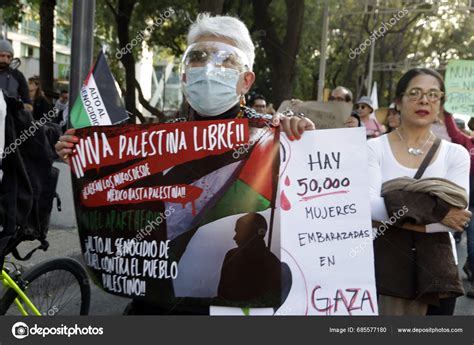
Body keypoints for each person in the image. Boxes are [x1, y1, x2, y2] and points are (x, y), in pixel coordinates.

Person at [55, 14, 315, 314]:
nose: (209, 68)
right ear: (184, 76)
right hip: (155, 304)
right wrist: (87, 158)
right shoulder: (153, 140)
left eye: (226, 60)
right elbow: (121, 197)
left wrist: (302, 140)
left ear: (246, 79)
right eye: (199, 57)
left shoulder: (274, 137)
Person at [368, 68, 471, 315]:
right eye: (415, 92)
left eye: (433, 94)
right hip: (383, 270)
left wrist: (392, 203)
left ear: (440, 105)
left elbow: (457, 217)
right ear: (397, 102)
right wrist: (437, 210)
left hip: (437, 276)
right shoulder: (373, 149)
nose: (424, 100)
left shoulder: (455, 153)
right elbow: (368, 207)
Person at [443, 111, 474, 298]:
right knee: (471, 238)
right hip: (468, 198)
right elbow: (454, 134)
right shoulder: (466, 143)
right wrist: (446, 111)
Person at [218, 213, 281, 303]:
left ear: (252, 233)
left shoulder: (271, 263)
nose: (234, 237)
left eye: (238, 231)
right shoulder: (231, 256)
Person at [0, 40, 32, 111]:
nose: (5, 59)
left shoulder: (18, 76)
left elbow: (29, 105)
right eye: (2, 55)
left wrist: (18, 106)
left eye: (9, 57)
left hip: (10, 119)